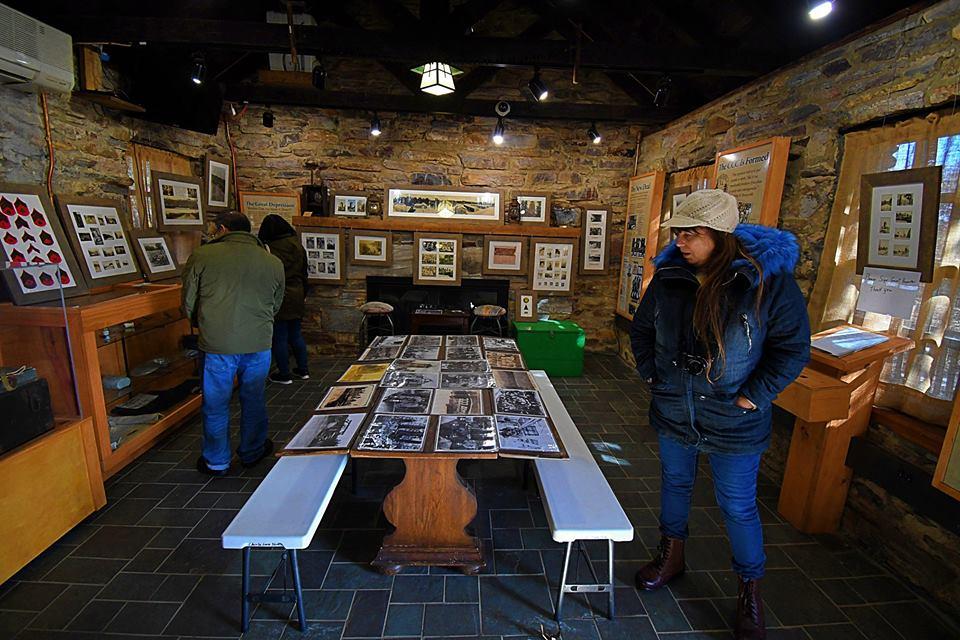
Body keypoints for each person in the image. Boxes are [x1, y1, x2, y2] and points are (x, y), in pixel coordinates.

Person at [630, 190, 810, 640]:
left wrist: (754, 396)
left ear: (721, 235)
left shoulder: (766, 280)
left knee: (737, 504)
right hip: (675, 407)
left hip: (735, 418)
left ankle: (750, 588)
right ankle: (671, 555)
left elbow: (791, 347)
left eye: (691, 233)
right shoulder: (671, 274)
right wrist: (654, 375)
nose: (681, 241)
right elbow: (643, 329)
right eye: (678, 232)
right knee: (675, 483)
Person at [182, 211, 285, 476]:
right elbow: (276, 303)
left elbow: (189, 302)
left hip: (218, 342)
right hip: (259, 341)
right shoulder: (272, 261)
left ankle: (217, 460)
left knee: (216, 402)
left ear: (223, 229)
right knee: (254, 398)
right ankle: (252, 451)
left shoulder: (203, 256)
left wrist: (203, 322)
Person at [257, 214, 310, 384]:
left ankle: (284, 373)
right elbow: (304, 272)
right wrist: (304, 294)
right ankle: (303, 369)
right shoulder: (297, 245)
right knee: (296, 334)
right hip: (297, 292)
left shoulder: (268, 248)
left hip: (279, 294)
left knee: (279, 336)